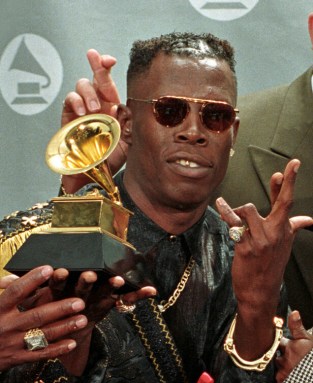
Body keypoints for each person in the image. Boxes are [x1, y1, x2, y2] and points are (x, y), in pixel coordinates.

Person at [0, 32, 312, 383]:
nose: (193, 131)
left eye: (216, 117)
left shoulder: (243, 257)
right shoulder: (36, 238)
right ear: (127, 123)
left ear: (234, 134)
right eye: (170, 111)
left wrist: (258, 303)